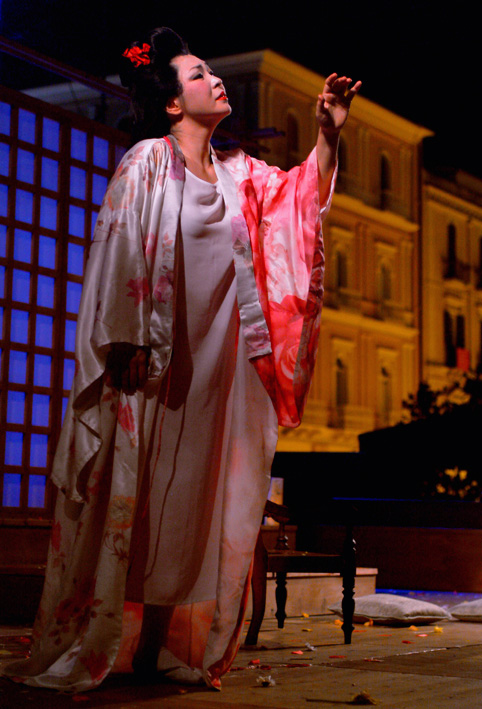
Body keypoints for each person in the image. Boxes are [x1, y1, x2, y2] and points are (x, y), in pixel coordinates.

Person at [2, 27, 360, 692]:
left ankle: (162, 647)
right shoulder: (146, 162)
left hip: (215, 375)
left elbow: (300, 202)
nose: (215, 79)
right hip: (151, 362)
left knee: (192, 507)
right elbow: (117, 247)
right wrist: (125, 339)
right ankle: (101, 636)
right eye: (198, 75)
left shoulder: (242, 176)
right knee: (132, 501)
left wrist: (327, 134)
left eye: (210, 70)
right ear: (172, 104)